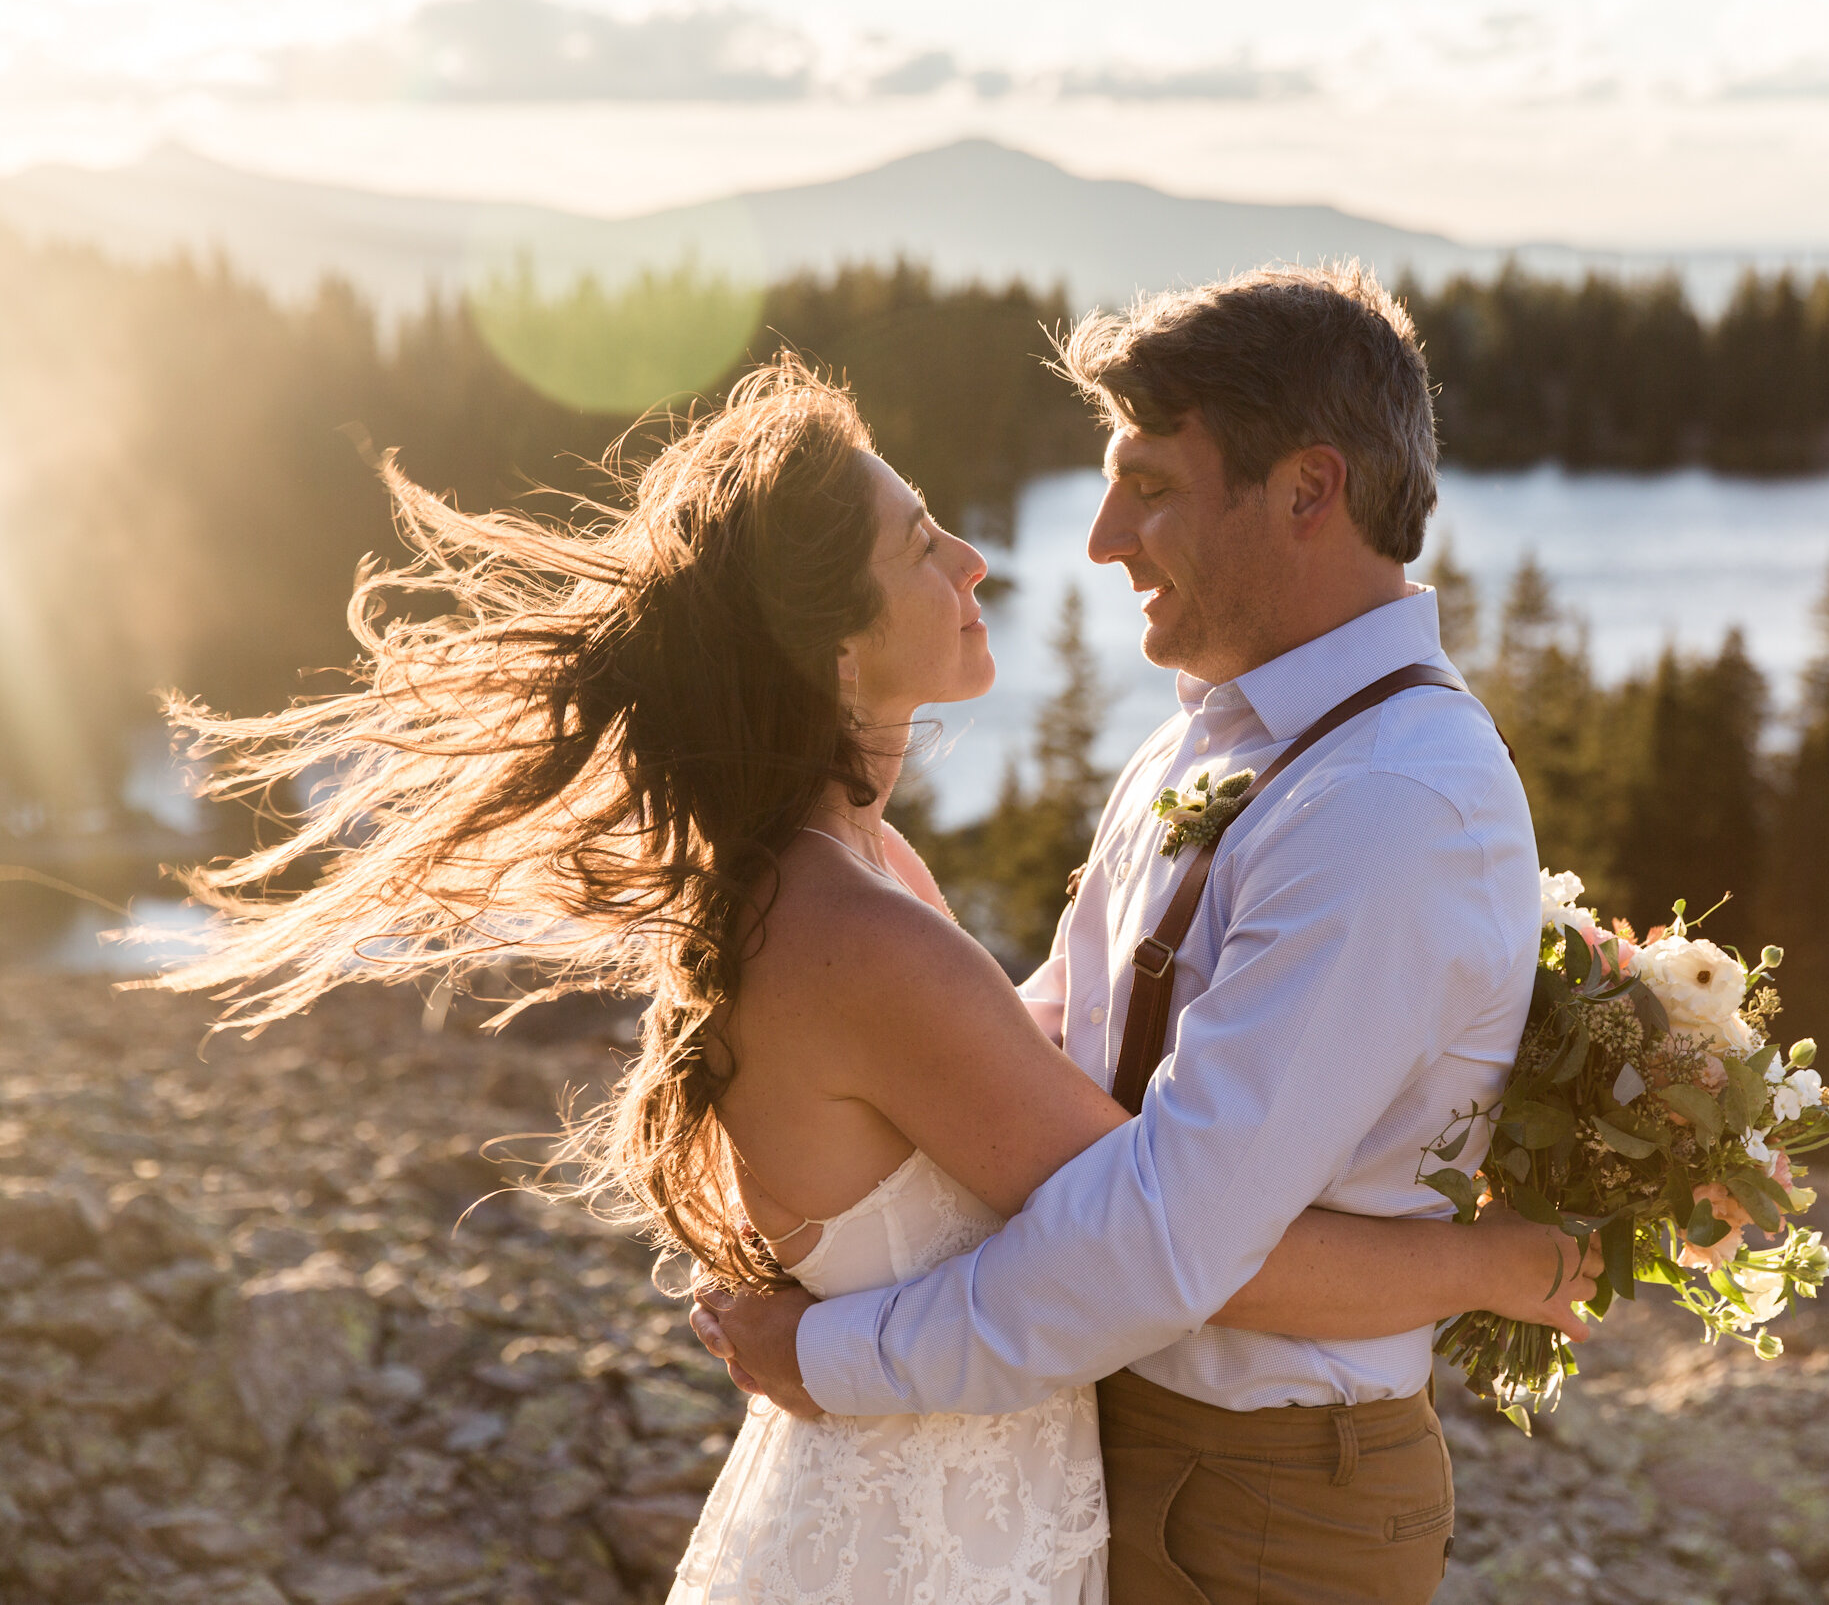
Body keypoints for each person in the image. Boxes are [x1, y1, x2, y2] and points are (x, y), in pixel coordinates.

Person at [149, 351, 1591, 1605]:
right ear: (829, 649)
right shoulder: (855, 932)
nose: (978, 563)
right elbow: (1169, 1238)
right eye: (920, 548)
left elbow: (1087, 1100)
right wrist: (1499, 1263)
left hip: (963, 1500)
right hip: (937, 1538)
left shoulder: (862, 878)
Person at [695, 266, 1552, 1604]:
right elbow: (1049, 1044)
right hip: (1118, 1445)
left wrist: (833, 1359)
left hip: (1261, 1494)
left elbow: (1164, 1238)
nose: (1101, 538)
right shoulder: (1206, 739)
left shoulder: (1387, 807)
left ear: (1309, 492)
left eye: (1148, 485)